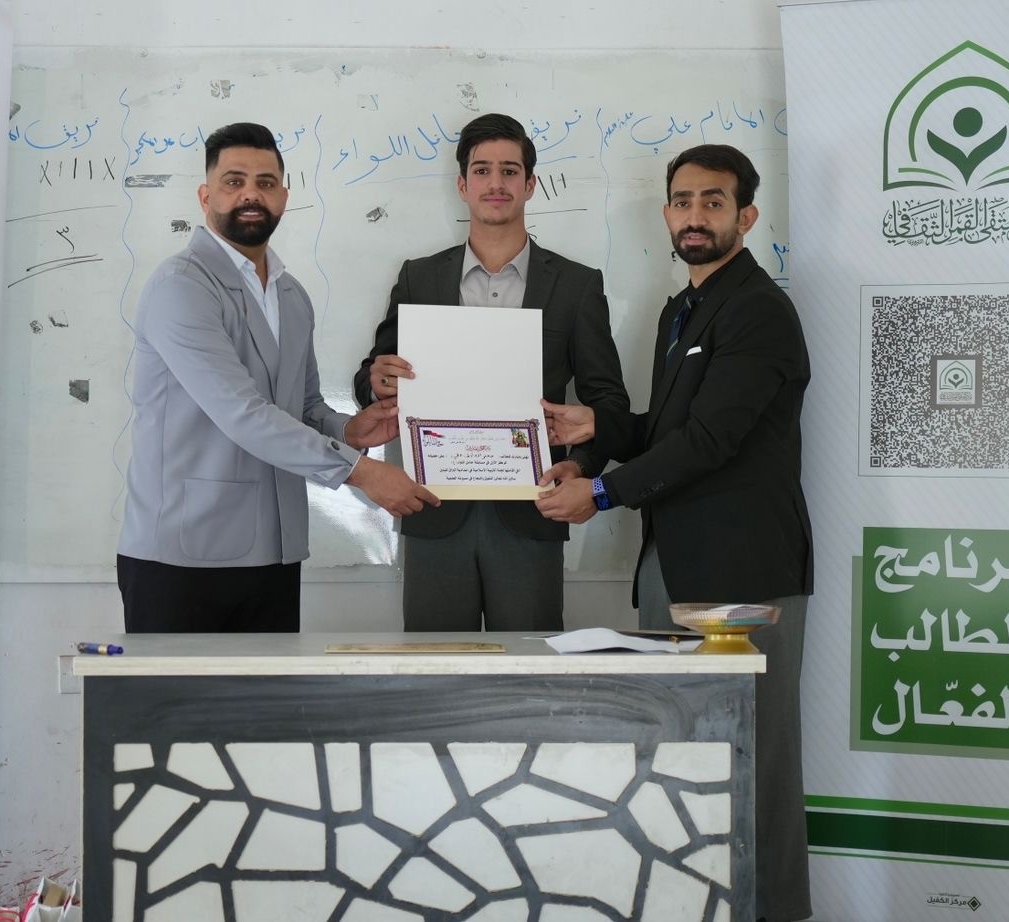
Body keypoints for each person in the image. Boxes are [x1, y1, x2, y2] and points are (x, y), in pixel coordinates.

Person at [537, 143, 813, 922]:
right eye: (683, 201)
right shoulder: (681, 308)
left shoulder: (758, 309)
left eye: (713, 202)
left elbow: (712, 440)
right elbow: (672, 429)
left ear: (745, 216)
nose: (696, 216)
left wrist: (600, 490)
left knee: (755, 754)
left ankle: (777, 912)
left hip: (745, 575)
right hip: (674, 565)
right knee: (689, 760)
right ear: (666, 213)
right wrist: (600, 428)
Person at [117, 122, 438, 633]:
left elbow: (303, 406)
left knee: (268, 691)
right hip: (182, 556)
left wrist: (348, 429)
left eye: (265, 183)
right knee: (181, 692)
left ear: (284, 198)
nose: (251, 194)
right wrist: (361, 472)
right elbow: (242, 414)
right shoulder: (181, 287)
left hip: (274, 552)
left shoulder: (291, 296)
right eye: (233, 181)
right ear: (205, 196)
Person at [354, 113, 628, 632]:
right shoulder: (419, 277)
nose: (495, 183)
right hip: (434, 510)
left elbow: (608, 402)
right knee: (437, 668)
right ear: (462, 185)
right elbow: (372, 377)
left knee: (530, 670)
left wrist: (581, 466)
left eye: (509, 171)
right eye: (482, 170)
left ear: (530, 184)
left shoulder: (576, 285)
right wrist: (374, 379)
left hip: (531, 514)